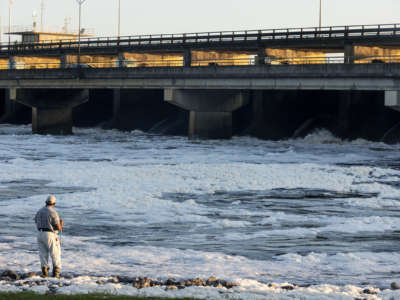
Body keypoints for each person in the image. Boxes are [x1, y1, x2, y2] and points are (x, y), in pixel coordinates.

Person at [34, 195, 64, 278]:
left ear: (46, 202)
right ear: (54, 203)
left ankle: (45, 273)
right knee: (55, 254)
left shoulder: (39, 211)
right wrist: (61, 225)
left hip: (39, 234)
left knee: (43, 254)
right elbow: (58, 227)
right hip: (50, 234)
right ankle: (56, 275)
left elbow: (36, 221)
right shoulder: (53, 212)